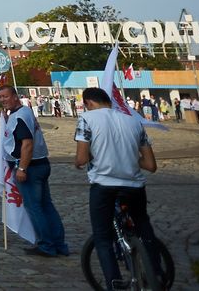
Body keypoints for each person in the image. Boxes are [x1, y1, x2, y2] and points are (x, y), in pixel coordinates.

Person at [75, 86, 161, 289]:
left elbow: (82, 157)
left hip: (104, 185)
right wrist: (127, 157)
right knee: (143, 225)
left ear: (88, 103)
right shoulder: (134, 121)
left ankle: (114, 283)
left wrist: (78, 162)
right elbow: (151, 165)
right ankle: (156, 272)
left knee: (103, 237)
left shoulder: (87, 119)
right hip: (134, 185)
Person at [0, 84, 67, 257]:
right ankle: (59, 243)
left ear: (15, 96)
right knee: (46, 205)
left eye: (6, 96)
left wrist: (22, 168)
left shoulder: (19, 116)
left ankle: (46, 245)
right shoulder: (25, 112)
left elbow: (27, 144)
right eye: (0, 97)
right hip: (41, 163)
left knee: (35, 207)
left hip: (30, 167)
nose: (3, 100)